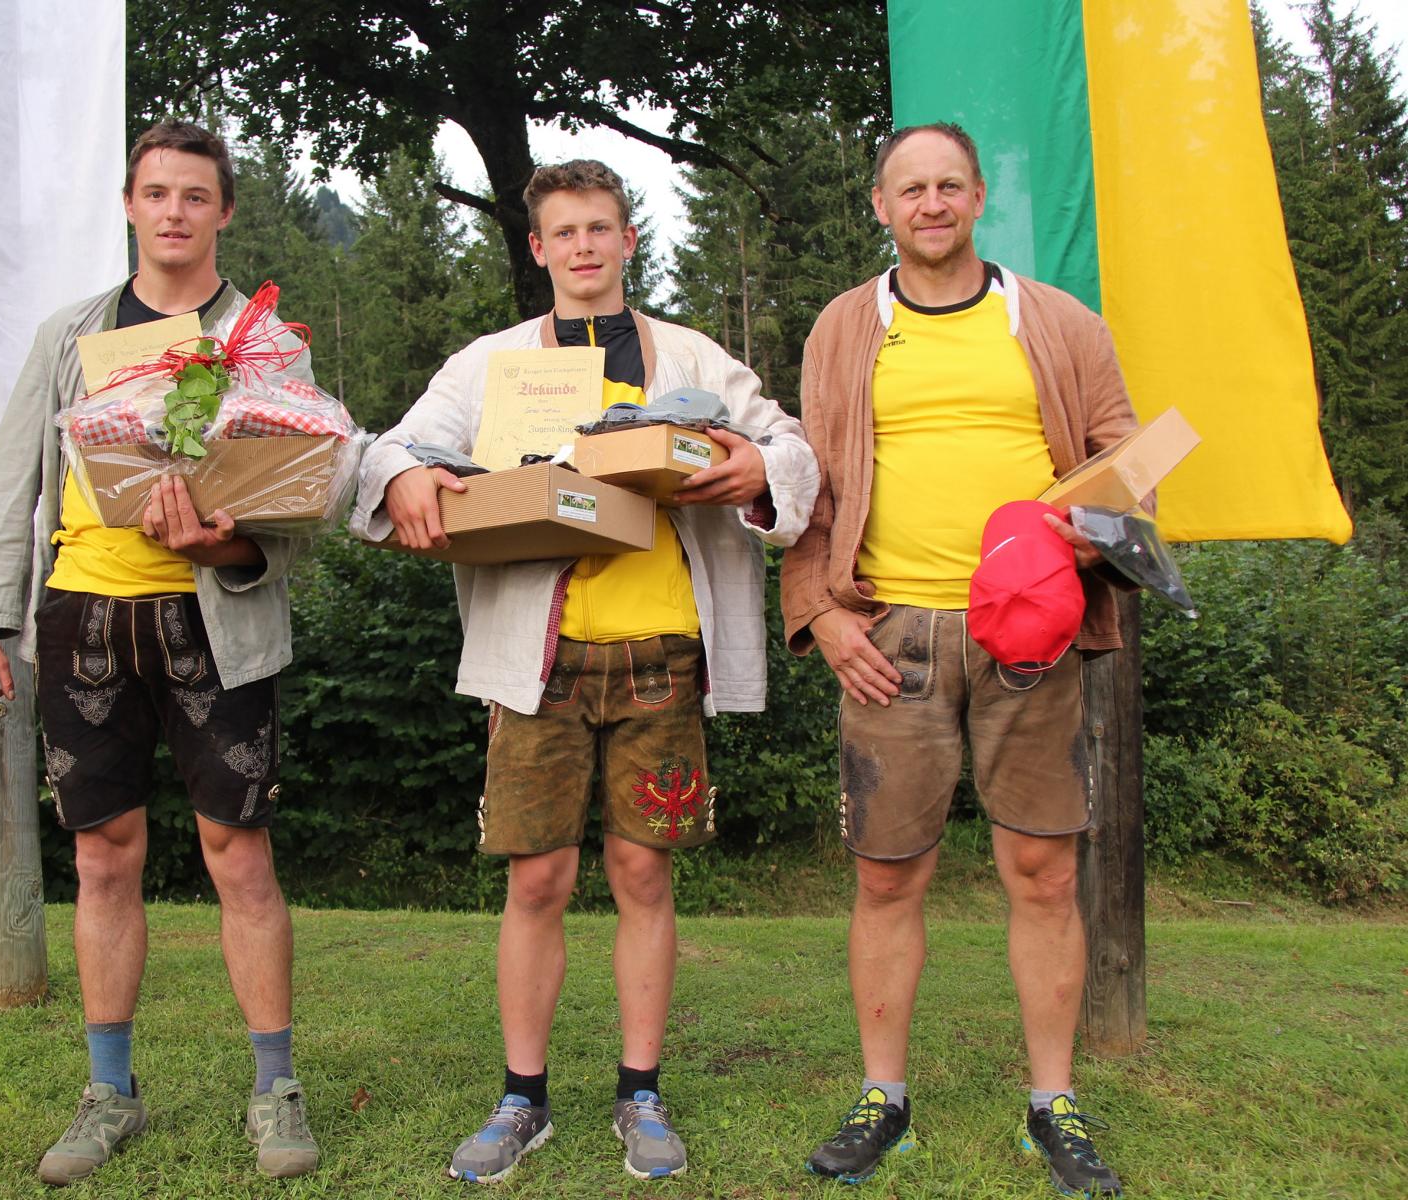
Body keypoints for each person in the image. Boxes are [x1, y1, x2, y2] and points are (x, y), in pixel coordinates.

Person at [351, 159, 817, 1184]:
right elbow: (388, 452)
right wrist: (417, 474)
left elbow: (789, 448)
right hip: (539, 661)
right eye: (564, 232)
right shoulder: (492, 365)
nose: (584, 247)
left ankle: (640, 1092)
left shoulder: (688, 354)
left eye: (601, 227)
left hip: (660, 657)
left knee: (645, 873)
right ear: (538, 247)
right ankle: (522, 1100)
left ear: (628, 240)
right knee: (538, 879)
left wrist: (756, 470)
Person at [0, 120, 319, 1186]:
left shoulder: (268, 341)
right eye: (155, 193)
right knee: (102, 856)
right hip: (83, 621)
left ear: (225, 212)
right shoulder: (73, 333)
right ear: (128, 204)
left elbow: (297, 502)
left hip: (216, 623)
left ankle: (275, 1090)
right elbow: (10, 479)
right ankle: (110, 1091)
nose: (173, 212)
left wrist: (226, 539)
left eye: (194, 196)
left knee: (238, 854)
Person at [780, 122, 1136, 1197]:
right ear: (881, 207)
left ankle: (1052, 1107)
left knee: (1044, 872)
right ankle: (883, 1100)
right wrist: (825, 618)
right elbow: (809, 489)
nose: (931, 203)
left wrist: (1103, 521)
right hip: (893, 638)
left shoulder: (1059, 322)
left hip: (1033, 632)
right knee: (889, 879)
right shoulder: (847, 327)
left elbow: (1122, 454)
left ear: (979, 196)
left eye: (949, 185)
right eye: (910, 189)